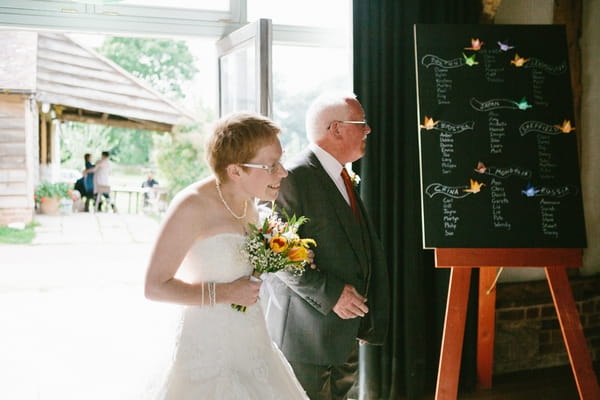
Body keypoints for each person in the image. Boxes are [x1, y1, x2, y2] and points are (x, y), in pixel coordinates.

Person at [144, 112, 308, 399]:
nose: (282, 172)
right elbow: (154, 287)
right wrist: (227, 292)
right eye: (271, 165)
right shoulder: (191, 207)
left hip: (253, 339)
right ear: (235, 171)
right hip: (204, 348)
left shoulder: (250, 205)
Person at [261, 93, 390, 400]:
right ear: (336, 129)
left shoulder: (341, 176)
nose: (368, 130)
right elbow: (273, 252)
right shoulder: (292, 177)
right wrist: (332, 295)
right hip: (307, 336)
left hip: (343, 332)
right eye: (362, 123)